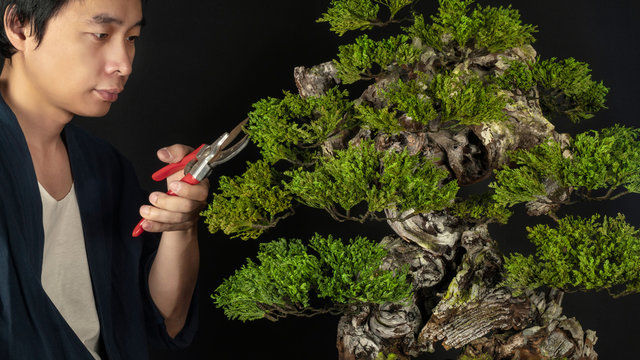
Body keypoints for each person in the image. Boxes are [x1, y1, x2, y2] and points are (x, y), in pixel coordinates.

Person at [0, 0, 206, 358]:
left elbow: (164, 322)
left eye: (132, 37)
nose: (124, 64)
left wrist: (181, 225)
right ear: (20, 26)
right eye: (100, 34)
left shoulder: (106, 168)